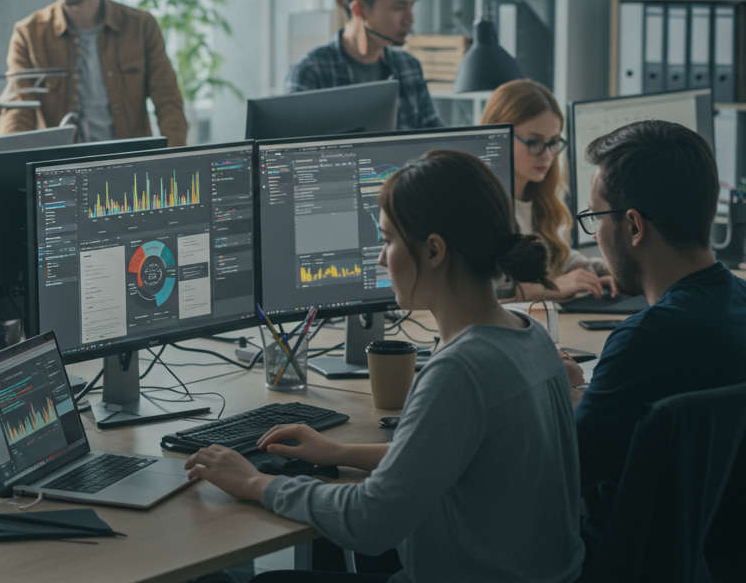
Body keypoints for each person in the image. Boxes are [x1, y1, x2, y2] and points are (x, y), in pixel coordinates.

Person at [184, 149, 583, 582]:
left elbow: (370, 522)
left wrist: (255, 484)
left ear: (433, 251)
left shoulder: (461, 371)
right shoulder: (529, 336)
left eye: (388, 239)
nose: (379, 258)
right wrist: (338, 453)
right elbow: (443, 456)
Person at [574, 120, 746, 551]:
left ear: (633, 226)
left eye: (596, 217)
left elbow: (563, 471)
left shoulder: (641, 342)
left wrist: (563, 393)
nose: (596, 234)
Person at [0, 0, 187, 145]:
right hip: (62, 170)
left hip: (129, 165)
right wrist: (8, 169)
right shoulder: (29, 34)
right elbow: (17, 113)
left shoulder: (140, 27)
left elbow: (168, 103)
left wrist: (173, 160)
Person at [480, 79, 616, 302]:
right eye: (534, 142)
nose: (547, 155)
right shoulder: (479, 204)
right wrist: (552, 287)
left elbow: (556, 255)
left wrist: (601, 270)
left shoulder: (538, 194)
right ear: (497, 137)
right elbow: (486, 293)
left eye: (553, 142)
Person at [287, 0, 442, 131]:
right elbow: (291, 155)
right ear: (359, 10)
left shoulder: (409, 67)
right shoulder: (311, 73)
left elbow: (436, 140)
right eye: (399, 7)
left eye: (412, 5)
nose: (410, 19)